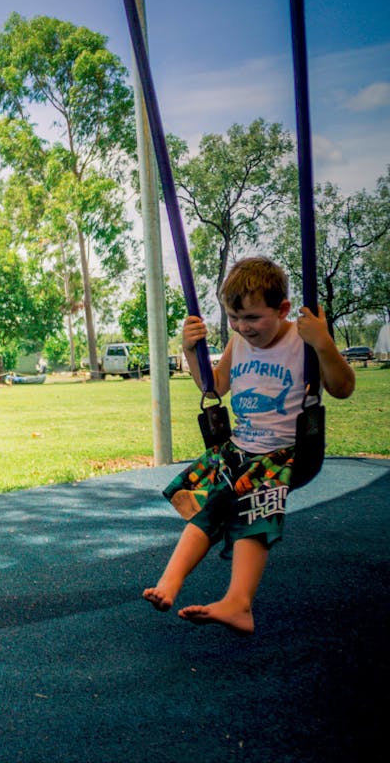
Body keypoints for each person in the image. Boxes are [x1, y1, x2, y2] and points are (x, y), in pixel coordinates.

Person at [143, 257, 355, 634]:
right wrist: (192, 353)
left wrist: (323, 344)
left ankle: (239, 603)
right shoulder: (238, 343)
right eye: (234, 319)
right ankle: (169, 584)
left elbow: (343, 388)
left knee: (253, 507)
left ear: (283, 309)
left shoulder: (303, 340)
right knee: (207, 505)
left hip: (287, 454)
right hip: (239, 447)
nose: (243, 327)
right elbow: (215, 387)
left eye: (253, 318)